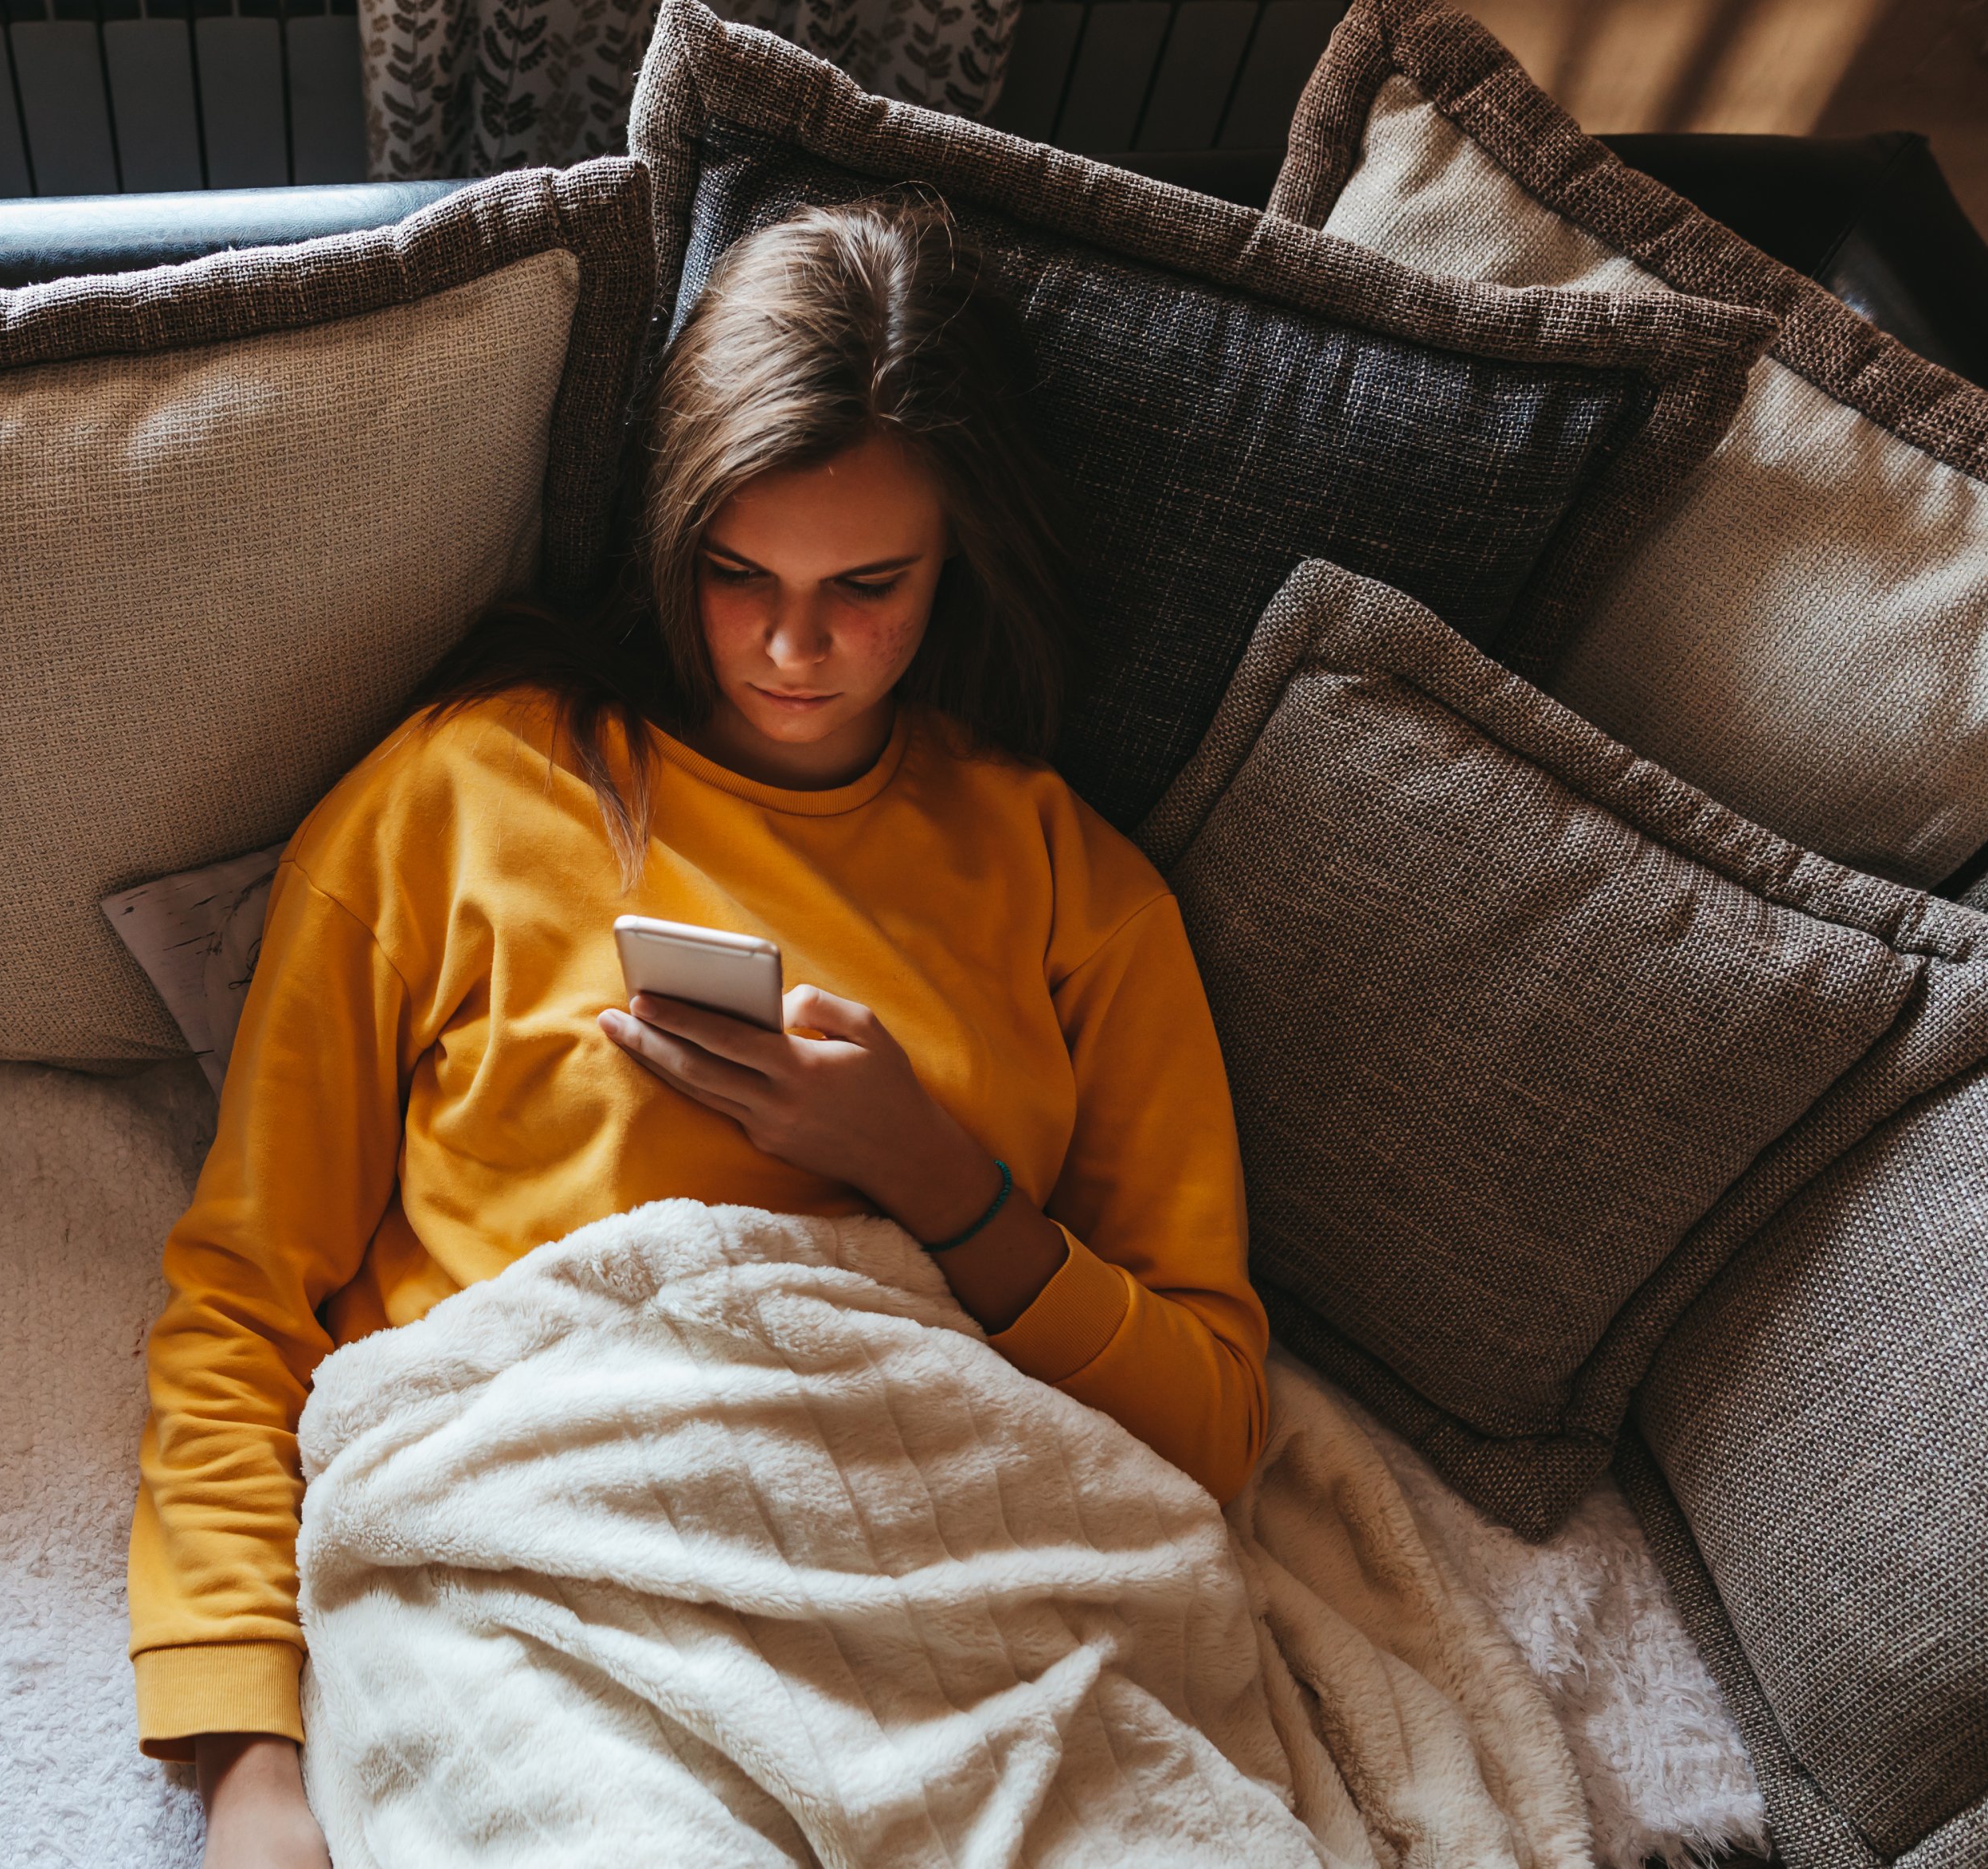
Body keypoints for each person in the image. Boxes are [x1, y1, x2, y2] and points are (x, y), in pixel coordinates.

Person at [130, 198, 1268, 1869]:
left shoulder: (1065, 883)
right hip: (540, 1550)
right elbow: (238, 1297)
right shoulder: (454, 796)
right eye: (735, 576)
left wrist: (937, 1181)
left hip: (953, 1574)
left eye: (864, 586)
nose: (792, 646)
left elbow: (1213, 1431)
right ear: (670, 537)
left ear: (956, 561)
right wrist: (247, 1763)